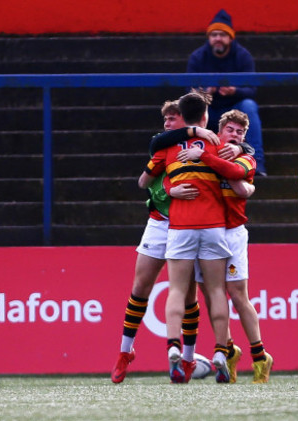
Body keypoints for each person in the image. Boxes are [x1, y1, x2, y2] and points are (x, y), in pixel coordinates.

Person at [111, 100, 219, 384]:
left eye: (173, 118)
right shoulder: (163, 144)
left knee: (189, 296)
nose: (168, 124)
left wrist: (243, 150)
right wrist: (172, 190)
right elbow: (146, 182)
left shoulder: (208, 145)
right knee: (140, 285)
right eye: (166, 119)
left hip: (192, 225)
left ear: (185, 118)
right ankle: (125, 352)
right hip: (161, 223)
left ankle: (187, 358)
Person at [142, 91, 234, 384]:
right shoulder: (217, 143)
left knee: (178, 290)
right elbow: (238, 166)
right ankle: (220, 353)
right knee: (216, 291)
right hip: (213, 224)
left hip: (180, 226)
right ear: (206, 116)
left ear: (181, 115)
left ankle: (173, 347)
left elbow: (144, 180)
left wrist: (168, 187)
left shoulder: (168, 145)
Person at [177, 109, 273, 384]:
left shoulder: (245, 157)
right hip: (204, 231)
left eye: (240, 132)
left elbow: (234, 173)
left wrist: (209, 157)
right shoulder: (205, 148)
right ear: (220, 131)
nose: (235, 135)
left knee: (236, 292)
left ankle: (260, 355)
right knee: (210, 294)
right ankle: (228, 350)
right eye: (230, 130)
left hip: (231, 232)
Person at [187, 8, 267, 176]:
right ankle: (186, 162)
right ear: (209, 38)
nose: (218, 39)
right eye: (214, 35)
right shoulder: (197, 57)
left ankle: (256, 162)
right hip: (208, 111)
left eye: (222, 35)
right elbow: (188, 91)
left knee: (249, 106)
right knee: (190, 109)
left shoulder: (243, 56)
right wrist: (206, 92)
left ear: (230, 38)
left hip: (234, 110)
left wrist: (234, 91)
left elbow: (252, 90)